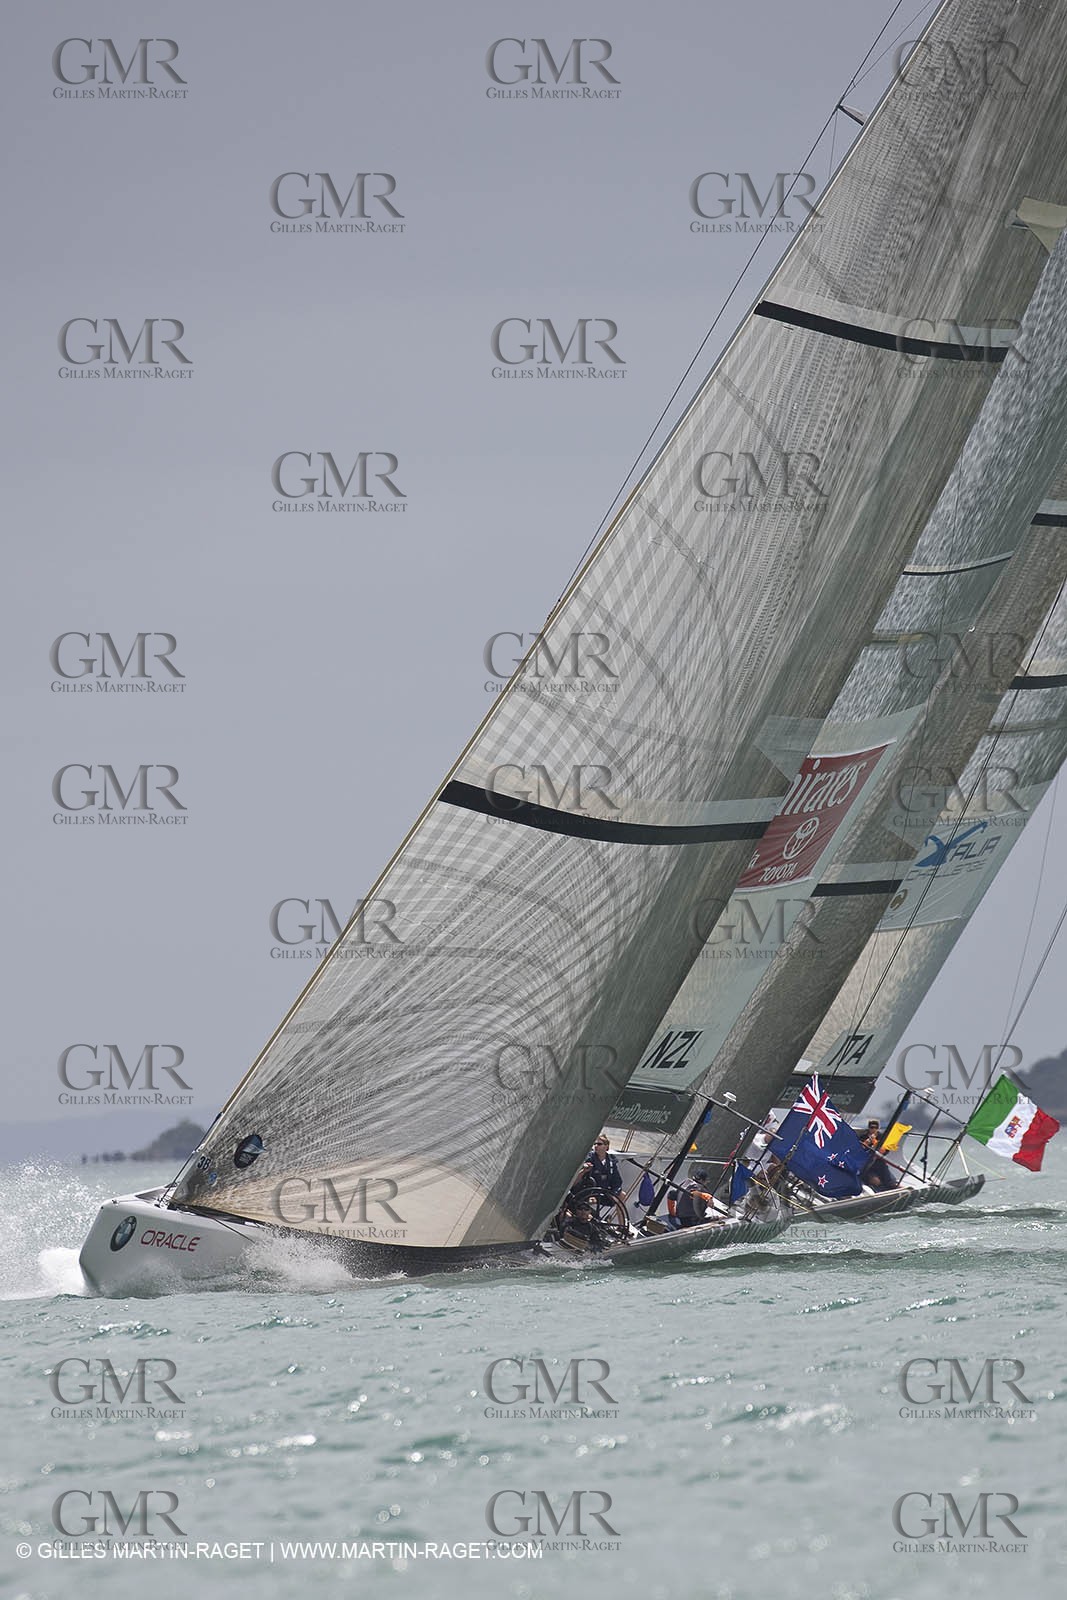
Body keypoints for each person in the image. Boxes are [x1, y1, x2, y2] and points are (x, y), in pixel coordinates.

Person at [573, 1134, 623, 1198]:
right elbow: (576, 1181)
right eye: (595, 1144)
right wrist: (584, 1170)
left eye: (599, 1144)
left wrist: (614, 1193)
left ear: (606, 1146)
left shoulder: (612, 1162)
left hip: (604, 1191)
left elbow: (617, 1181)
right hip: (589, 1191)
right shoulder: (589, 1158)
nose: (596, 1146)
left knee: (622, 1195)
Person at [857, 1119, 898, 1190]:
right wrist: (867, 1143)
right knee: (875, 1181)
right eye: (872, 1127)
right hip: (867, 1163)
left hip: (879, 1161)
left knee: (888, 1177)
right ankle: (874, 1185)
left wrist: (878, 1147)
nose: (873, 1129)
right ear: (869, 1128)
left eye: (876, 1128)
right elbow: (859, 1150)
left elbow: (886, 1150)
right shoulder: (863, 1137)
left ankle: (891, 1185)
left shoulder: (882, 1137)